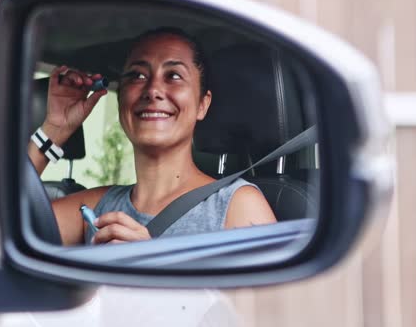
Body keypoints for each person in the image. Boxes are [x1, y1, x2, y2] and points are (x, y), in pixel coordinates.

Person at [28, 28, 276, 246]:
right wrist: (55, 128)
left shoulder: (237, 205)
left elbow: (266, 300)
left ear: (202, 104)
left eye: (174, 76)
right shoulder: (94, 207)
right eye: (137, 75)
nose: (153, 89)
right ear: (121, 98)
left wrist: (149, 262)